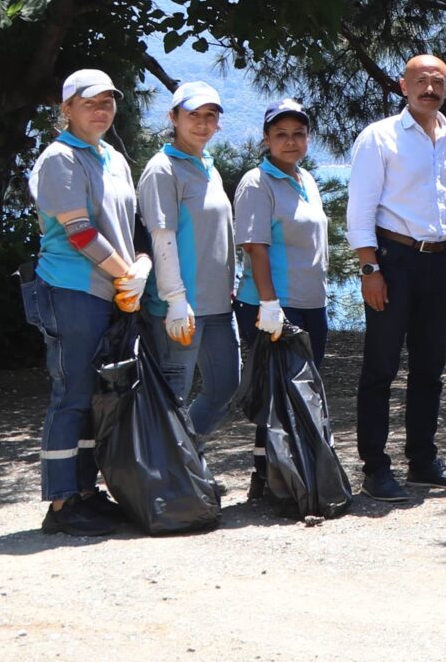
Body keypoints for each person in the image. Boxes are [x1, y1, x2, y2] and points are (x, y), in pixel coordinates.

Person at [345, 53, 446, 502]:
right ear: (403, 86)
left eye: (437, 81)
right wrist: (370, 269)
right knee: (380, 367)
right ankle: (375, 467)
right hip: (392, 259)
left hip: (438, 263)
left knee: (430, 367)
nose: (429, 88)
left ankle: (422, 460)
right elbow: (360, 211)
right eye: (420, 80)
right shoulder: (379, 137)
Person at [26, 69, 147, 536]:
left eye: (108, 102)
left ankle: (84, 493)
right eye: (90, 102)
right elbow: (79, 232)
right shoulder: (59, 158)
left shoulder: (113, 157)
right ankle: (60, 504)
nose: (101, 110)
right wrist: (126, 275)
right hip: (72, 290)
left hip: (112, 292)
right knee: (72, 396)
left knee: (95, 400)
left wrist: (140, 270)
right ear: (67, 108)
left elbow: (129, 227)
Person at [138, 80, 240, 442]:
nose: (201, 123)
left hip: (216, 306)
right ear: (173, 117)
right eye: (192, 115)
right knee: (171, 399)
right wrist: (175, 299)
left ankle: (183, 465)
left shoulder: (206, 166)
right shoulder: (163, 168)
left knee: (225, 387)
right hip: (178, 308)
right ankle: (162, 485)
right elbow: (161, 236)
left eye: (209, 116)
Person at [236, 99, 330, 363]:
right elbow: (255, 246)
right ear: (267, 139)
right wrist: (269, 304)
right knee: (280, 394)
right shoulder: (257, 182)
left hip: (312, 303)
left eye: (298, 134)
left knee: (305, 391)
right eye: (281, 134)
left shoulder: (307, 179)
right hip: (275, 304)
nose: (291, 141)